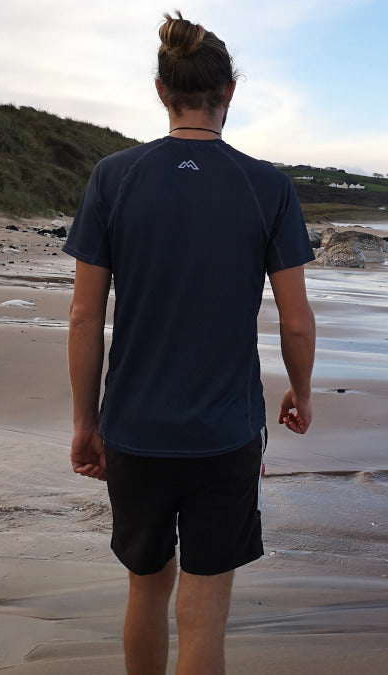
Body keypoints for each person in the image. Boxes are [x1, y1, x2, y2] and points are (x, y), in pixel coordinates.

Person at [63, 11, 316, 674]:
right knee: (204, 612)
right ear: (229, 91)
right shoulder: (268, 187)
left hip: (134, 428)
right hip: (224, 433)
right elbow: (296, 321)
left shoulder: (114, 178)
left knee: (146, 589)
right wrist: (303, 391)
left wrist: (86, 421)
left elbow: (84, 318)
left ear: (161, 90)